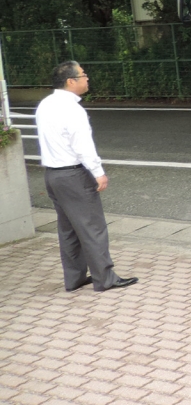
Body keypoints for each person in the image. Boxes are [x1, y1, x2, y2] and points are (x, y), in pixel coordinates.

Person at [35, 61, 138, 292]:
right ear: (71, 81)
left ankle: (74, 278)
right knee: (93, 227)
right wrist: (98, 173)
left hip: (53, 175)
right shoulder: (72, 109)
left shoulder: (45, 104)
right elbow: (82, 146)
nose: (87, 78)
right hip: (74, 175)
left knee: (68, 230)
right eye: (83, 75)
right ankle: (105, 278)